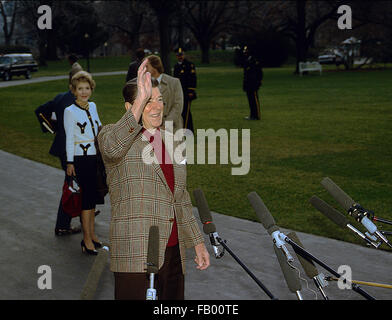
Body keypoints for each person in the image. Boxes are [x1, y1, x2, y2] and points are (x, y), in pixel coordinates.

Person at [97, 59, 210, 300]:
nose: (156, 106)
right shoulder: (111, 136)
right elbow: (112, 147)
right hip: (136, 252)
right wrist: (141, 98)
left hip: (173, 251)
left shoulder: (173, 140)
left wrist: (197, 242)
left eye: (159, 99)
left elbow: (180, 196)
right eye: (148, 100)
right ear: (130, 107)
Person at [35, 66, 84, 236]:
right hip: (72, 150)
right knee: (73, 185)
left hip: (63, 148)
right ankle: (63, 225)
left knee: (75, 184)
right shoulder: (77, 101)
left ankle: (81, 214)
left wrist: (52, 128)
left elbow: (39, 110)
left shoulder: (61, 98)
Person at [64, 71, 102, 255]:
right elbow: (69, 138)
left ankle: (93, 234)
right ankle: (86, 239)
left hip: (95, 157)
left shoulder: (93, 106)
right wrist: (70, 162)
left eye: (87, 88)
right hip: (81, 159)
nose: (84, 92)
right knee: (85, 200)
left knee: (93, 198)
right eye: (80, 89)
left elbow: (98, 127)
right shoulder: (69, 111)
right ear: (74, 90)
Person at [145, 55, 184, 135]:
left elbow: (178, 106)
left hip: (172, 128)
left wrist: (166, 125)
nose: (144, 69)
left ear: (154, 66)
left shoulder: (174, 82)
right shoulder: (144, 84)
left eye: (146, 66)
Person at [173, 48, 197, 133]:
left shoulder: (189, 65)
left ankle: (187, 130)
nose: (180, 57)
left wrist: (191, 91)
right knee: (181, 112)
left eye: (181, 55)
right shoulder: (176, 66)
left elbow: (192, 78)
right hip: (179, 93)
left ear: (184, 55)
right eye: (178, 55)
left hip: (187, 92)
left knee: (186, 112)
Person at [242, 45, 263, 120]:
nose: (245, 52)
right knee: (250, 100)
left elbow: (259, 72)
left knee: (254, 100)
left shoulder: (254, 59)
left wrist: (259, 81)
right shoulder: (247, 59)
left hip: (253, 83)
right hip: (248, 83)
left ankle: (257, 115)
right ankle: (252, 115)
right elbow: (246, 73)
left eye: (246, 51)